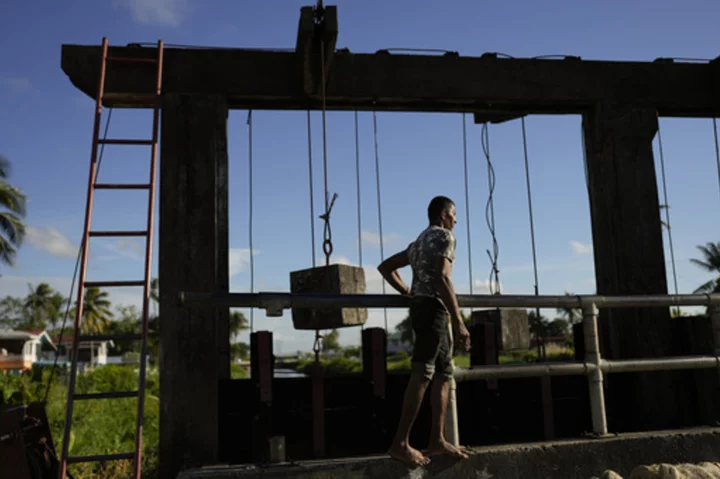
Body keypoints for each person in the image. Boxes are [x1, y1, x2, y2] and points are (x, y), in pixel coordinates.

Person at [377, 195, 472, 468]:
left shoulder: (418, 242)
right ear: (443, 214)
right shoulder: (445, 237)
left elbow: (385, 268)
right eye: (453, 214)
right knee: (423, 373)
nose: (456, 219)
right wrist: (459, 321)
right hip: (434, 310)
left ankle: (437, 439)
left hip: (423, 307)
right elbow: (443, 277)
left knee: (443, 374)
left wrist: (408, 291)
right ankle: (400, 444)